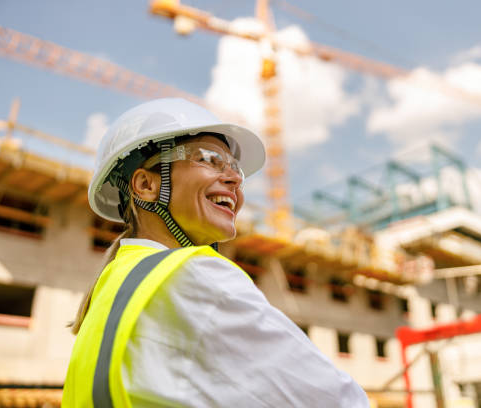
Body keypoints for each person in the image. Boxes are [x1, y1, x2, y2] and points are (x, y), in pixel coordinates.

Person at [62, 98, 369, 407]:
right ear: (146, 184)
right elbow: (338, 401)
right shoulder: (194, 275)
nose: (235, 179)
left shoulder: (110, 289)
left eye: (235, 168)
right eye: (209, 159)